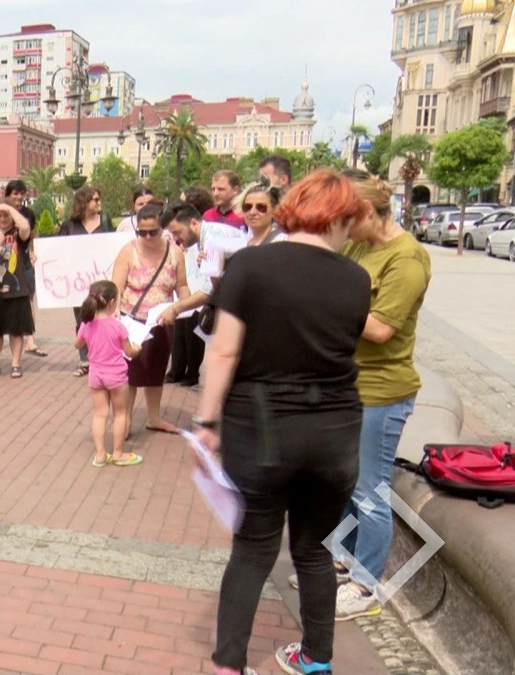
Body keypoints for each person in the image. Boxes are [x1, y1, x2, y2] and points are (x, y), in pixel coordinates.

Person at [193, 170, 373, 675]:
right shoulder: (357, 279)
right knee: (313, 550)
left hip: (263, 427)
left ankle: (230, 665)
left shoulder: (250, 265)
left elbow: (224, 351)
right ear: (337, 219)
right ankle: (316, 659)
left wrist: (207, 421)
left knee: (252, 550)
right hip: (334, 431)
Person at [331, 174, 432, 622]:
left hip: (381, 390)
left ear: (369, 213)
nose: (342, 229)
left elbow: (380, 329)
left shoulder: (407, 258)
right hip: (349, 383)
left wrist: (323, 304)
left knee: (370, 489)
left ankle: (365, 584)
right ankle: (343, 560)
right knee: (344, 481)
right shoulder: (360, 246)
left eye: (347, 220)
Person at [111, 203, 193, 435]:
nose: (147, 237)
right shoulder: (129, 251)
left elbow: (181, 285)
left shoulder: (174, 252)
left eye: (153, 232)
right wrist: (114, 310)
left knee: (156, 371)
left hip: (161, 322)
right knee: (130, 374)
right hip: (132, 321)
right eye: (142, 232)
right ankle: (125, 420)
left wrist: (184, 304)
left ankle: (154, 417)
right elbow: (116, 286)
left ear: (162, 229)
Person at [162, 203, 244, 388]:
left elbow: (208, 292)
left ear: (193, 223)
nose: (175, 239)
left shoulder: (212, 239)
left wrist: (175, 309)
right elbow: (217, 286)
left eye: (177, 232)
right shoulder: (209, 235)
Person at [75, 280, 142, 468]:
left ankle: (100, 454)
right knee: (120, 414)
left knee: (99, 414)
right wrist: (137, 349)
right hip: (116, 376)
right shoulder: (118, 326)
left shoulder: (87, 324)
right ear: (112, 302)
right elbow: (129, 352)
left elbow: (77, 344)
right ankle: (118, 453)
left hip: (96, 376)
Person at [60, 185, 114, 377]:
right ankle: (85, 360)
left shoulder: (105, 221)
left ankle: (101, 359)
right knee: (83, 321)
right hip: (78, 283)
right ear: (84, 202)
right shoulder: (70, 225)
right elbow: (57, 249)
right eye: (95, 199)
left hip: (102, 281)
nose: (99, 203)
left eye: (99, 199)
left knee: (104, 320)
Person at [0, 200, 34, 378]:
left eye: (6, 215)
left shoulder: (18, 234)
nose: (3, 219)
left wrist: (9, 207)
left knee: (16, 330)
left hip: (16, 288)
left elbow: (25, 226)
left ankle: (15, 364)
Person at [6, 179, 47, 358]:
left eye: (21, 193)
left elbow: (31, 234)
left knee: (29, 299)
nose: (19, 197)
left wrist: (32, 251)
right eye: (15, 193)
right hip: (6, 263)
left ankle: (30, 339)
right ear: (8, 194)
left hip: (25, 263)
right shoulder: (2, 211)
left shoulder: (29, 213)